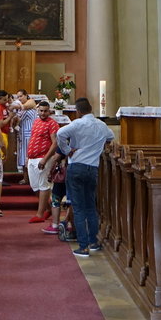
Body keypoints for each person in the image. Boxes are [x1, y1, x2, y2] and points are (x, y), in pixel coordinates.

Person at [56, 96, 114, 257]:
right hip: (93, 168)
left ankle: (83, 246)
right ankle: (93, 241)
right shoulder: (101, 125)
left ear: (78, 111)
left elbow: (59, 133)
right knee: (90, 206)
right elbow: (111, 137)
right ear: (90, 109)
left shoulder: (77, 123)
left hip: (77, 167)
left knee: (79, 208)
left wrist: (67, 150)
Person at [26, 101, 59, 223]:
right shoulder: (36, 122)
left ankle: (40, 214)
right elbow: (33, 138)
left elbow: (55, 143)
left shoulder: (52, 124)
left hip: (43, 157)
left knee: (43, 185)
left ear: (49, 111)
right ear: (38, 111)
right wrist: (27, 156)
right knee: (35, 187)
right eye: (41, 111)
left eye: (45, 111)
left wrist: (45, 159)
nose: (43, 113)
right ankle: (48, 209)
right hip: (32, 158)